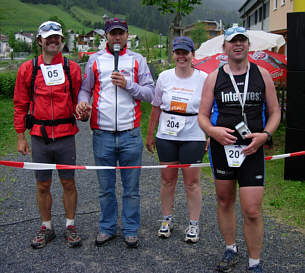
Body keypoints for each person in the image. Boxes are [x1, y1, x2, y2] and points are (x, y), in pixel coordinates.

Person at [198, 26, 281, 272]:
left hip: (252, 149)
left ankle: (254, 262)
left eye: (242, 40)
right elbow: (202, 116)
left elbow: (275, 112)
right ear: (225, 47)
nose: (238, 44)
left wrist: (266, 135)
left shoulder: (262, 74)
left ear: (248, 45)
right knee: (225, 200)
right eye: (233, 41)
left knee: (252, 209)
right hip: (222, 148)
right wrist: (213, 132)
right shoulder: (214, 77)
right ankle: (230, 248)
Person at [76, 18, 154, 248]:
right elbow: (85, 89)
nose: (117, 37)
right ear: (106, 37)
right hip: (103, 134)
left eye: (121, 33)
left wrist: (129, 84)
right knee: (105, 187)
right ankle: (107, 227)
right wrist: (82, 104)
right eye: (113, 34)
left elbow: (150, 94)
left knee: (131, 188)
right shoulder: (95, 60)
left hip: (130, 134)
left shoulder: (138, 60)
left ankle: (130, 229)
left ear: (128, 35)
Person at [13, 21, 82, 248]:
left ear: (62, 40)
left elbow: (78, 101)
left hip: (65, 135)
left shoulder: (72, 69)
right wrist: (20, 136)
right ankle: (47, 227)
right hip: (39, 136)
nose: (54, 41)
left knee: (68, 182)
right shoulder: (28, 69)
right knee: (42, 185)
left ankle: (70, 226)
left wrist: (83, 111)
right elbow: (20, 105)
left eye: (57, 37)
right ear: (40, 41)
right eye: (49, 37)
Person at [146, 36, 208, 243]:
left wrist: (210, 133)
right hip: (167, 134)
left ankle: (193, 223)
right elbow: (156, 106)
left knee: (192, 183)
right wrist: (150, 134)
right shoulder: (164, 76)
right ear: (173, 54)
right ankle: (166, 219)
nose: (181, 56)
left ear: (193, 55)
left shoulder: (204, 78)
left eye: (185, 53)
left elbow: (210, 109)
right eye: (178, 52)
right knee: (167, 180)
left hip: (193, 134)